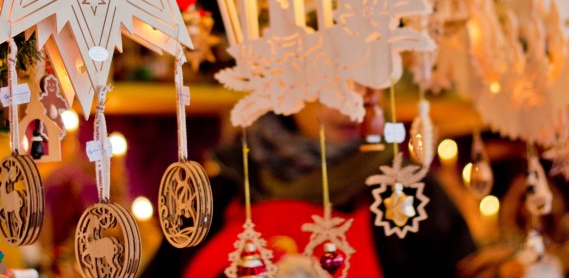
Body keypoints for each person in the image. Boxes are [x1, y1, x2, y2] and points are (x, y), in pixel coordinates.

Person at [143, 105, 476, 278]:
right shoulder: (221, 189)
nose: (350, 105)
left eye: (363, 82)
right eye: (330, 84)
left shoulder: (408, 192)